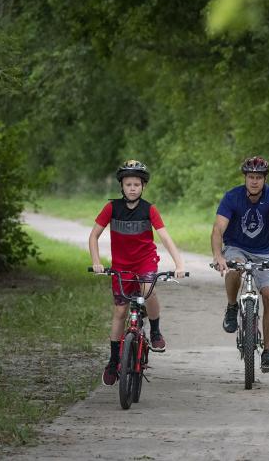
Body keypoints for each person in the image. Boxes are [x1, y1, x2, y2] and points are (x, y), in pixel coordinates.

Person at [89, 159, 186, 386]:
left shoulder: (149, 209)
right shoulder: (111, 208)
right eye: (128, 184)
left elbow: (165, 237)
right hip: (121, 265)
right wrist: (96, 261)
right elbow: (93, 236)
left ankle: (155, 331)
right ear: (121, 186)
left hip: (145, 261)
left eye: (136, 184)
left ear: (143, 187)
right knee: (120, 312)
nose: (132, 188)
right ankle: (113, 362)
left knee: (148, 289)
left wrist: (179, 264)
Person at [211, 156, 269, 373]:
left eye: (259, 177)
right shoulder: (232, 196)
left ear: (264, 179)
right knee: (235, 266)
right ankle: (232, 306)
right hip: (238, 247)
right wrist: (218, 256)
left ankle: (268, 352)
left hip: (267, 251)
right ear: (245, 178)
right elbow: (218, 228)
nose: (254, 181)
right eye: (250, 177)